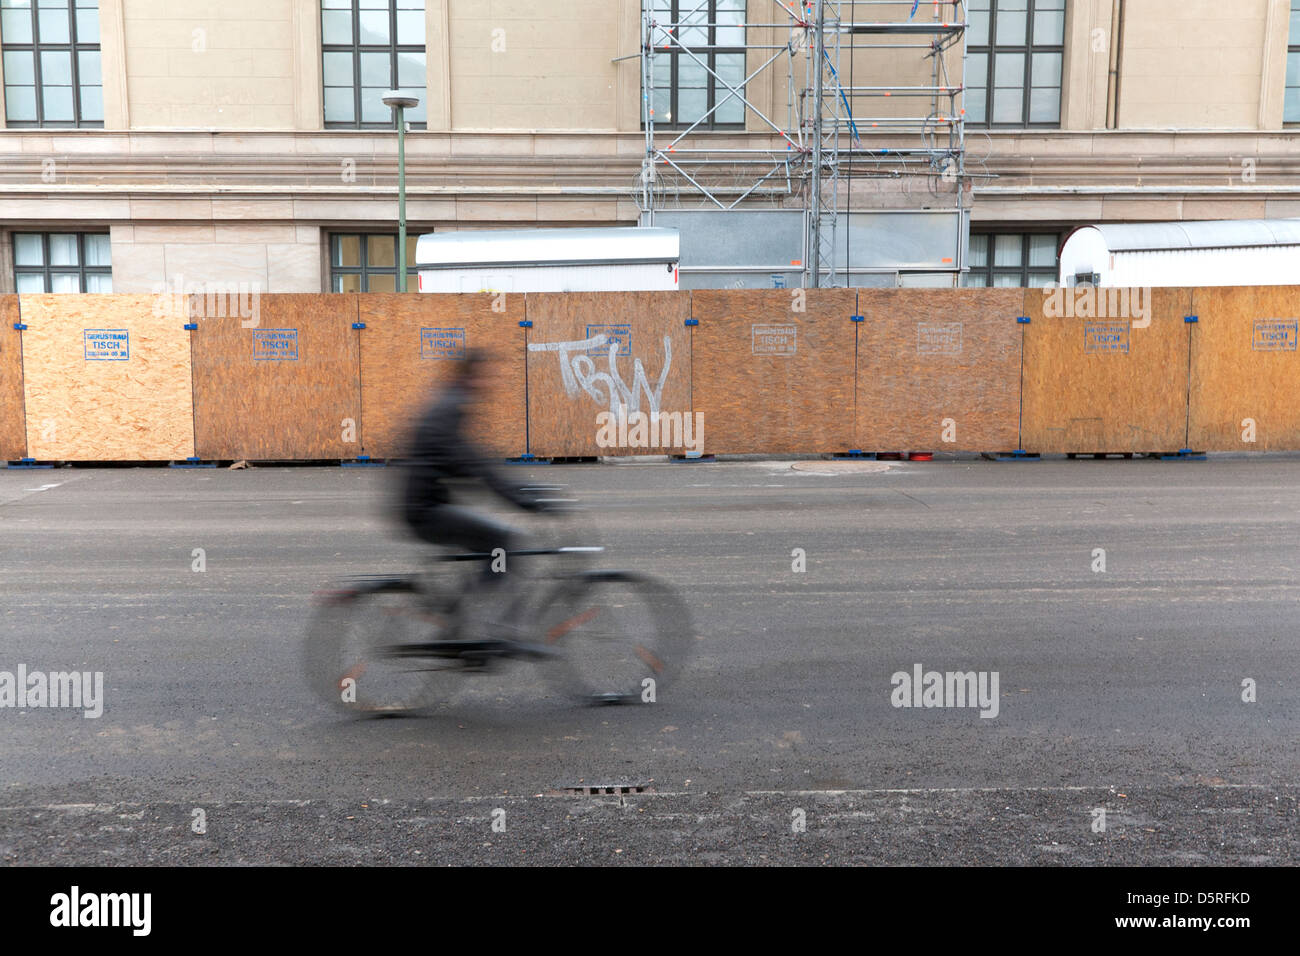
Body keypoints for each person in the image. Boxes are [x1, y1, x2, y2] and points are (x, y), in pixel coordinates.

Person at [401, 349, 546, 570]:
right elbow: (475, 465)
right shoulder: (453, 407)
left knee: (487, 544)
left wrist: (523, 489)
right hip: (426, 510)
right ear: (472, 377)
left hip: (428, 503)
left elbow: (474, 461)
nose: (493, 382)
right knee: (501, 542)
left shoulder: (451, 401)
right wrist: (519, 499)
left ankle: (476, 596)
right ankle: (492, 603)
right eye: (489, 376)